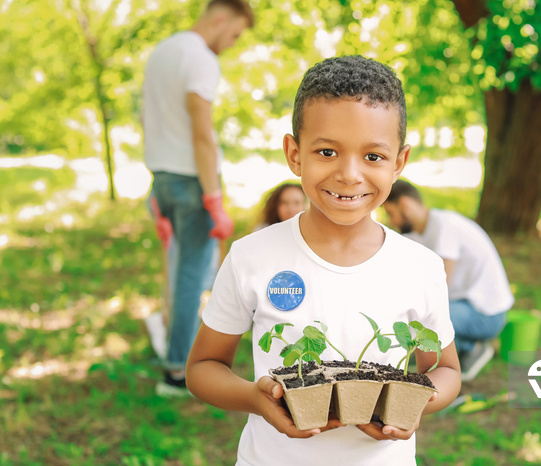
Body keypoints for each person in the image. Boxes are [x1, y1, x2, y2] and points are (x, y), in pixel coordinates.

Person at [186, 55, 461, 465]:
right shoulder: (252, 257)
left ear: (399, 163)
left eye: (373, 157)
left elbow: (447, 372)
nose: (349, 174)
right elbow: (203, 367)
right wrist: (255, 398)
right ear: (295, 154)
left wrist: (412, 405)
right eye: (327, 151)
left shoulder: (420, 265)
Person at [142, 0, 254, 396]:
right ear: (221, 17)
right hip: (192, 182)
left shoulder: (162, 52)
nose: (233, 42)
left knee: (180, 270)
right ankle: (177, 372)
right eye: (236, 33)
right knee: (193, 276)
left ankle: (179, 350)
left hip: (163, 178)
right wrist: (215, 198)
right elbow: (202, 132)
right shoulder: (200, 57)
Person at [384, 180, 514, 381]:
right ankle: (458, 347)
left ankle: (473, 347)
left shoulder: (445, 226)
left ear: (405, 205)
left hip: (486, 314)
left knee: (420, 319)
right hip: (462, 306)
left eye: (391, 213)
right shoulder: (418, 235)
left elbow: (441, 287)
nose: (391, 222)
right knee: (413, 317)